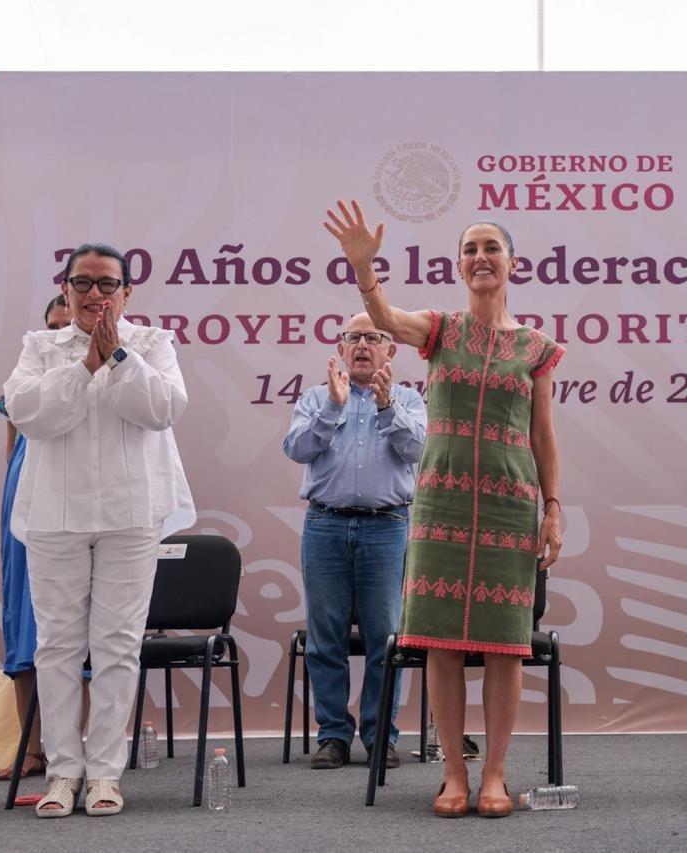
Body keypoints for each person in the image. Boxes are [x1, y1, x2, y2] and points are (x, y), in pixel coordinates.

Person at [322, 201, 564, 818]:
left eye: (492, 247)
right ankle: (454, 775)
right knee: (442, 644)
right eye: (470, 249)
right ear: (458, 266)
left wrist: (554, 507)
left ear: (512, 262)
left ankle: (496, 776)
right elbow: (383, 317)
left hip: (511, 503)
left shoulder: (537, 347)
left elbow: (543, 434)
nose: (481, 257)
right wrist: (364, 271)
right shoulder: (439, 330)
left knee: (507, 646)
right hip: (440, 499)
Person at [4, 243, 195, 817]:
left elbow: (163, 410)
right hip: (55, 516)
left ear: (126, 292)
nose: (94, 295)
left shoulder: (153, 344)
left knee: (115, 646)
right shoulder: (40, 346)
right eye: (83, 283)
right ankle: (64, 772)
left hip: (131, 514)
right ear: (65, 288)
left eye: (106, 284)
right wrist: (86, 364)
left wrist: (117, 360)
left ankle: (105, 773)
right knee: (57, 646)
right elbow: (31, 414)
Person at [282, 312, 427, 771]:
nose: (362, 345)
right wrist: (333, 407)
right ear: (341, 349)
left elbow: (421, 451)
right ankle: (333, 736)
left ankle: (380, 734)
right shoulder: (316, 398)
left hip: (387, 527)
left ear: (392, 350)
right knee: (326, 639)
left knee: (386, 638)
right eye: (353, 338)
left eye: (373, 337)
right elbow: (297, 449)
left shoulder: (410, 400)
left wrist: (386, 408)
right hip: (325, 525)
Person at [0, 295, 71, 781]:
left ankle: (77, 751)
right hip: (26, 505)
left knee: (77, 634)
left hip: (79, 503)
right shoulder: (23, 379)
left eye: (67, 327)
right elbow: (12, 450)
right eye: (51, 326)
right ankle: (31, 749)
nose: (58, 335)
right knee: (25, 625)